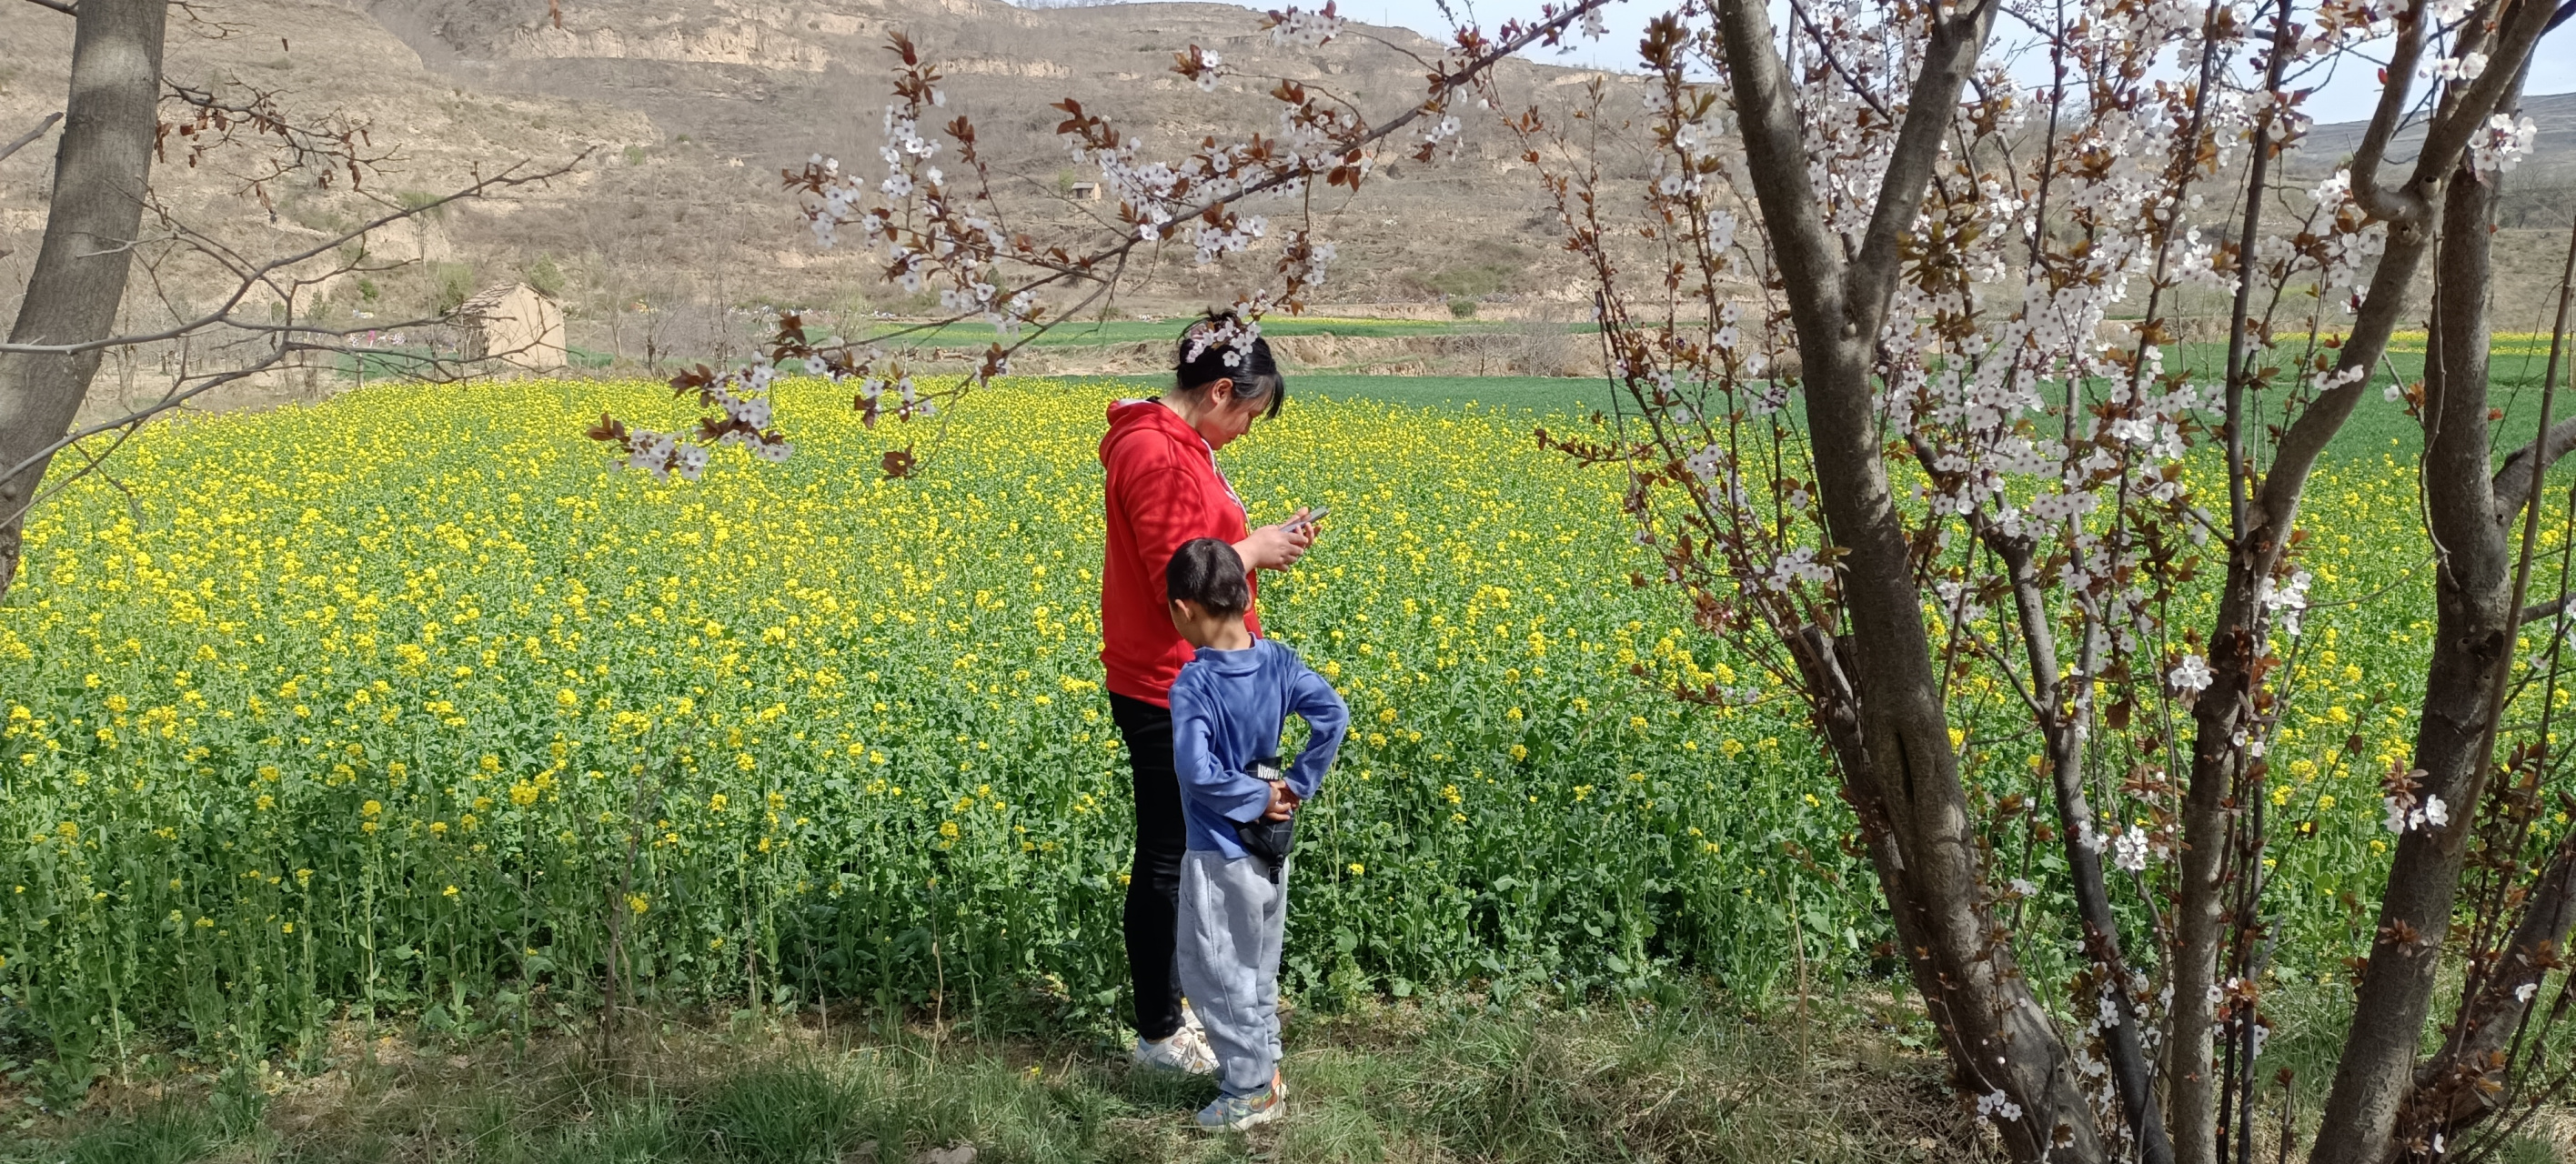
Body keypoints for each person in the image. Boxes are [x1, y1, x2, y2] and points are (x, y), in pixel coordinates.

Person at [1098, 312, 1318, 1074]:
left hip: (1200, 680)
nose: (1247, 431)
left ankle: (1191, 1002)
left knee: (1196, 852)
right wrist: (1252, 549)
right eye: (1249, 415)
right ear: (1221, 390)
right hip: (1168, 685)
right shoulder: (1156, 454)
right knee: (1169, 858)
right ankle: (1159, 1035)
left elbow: (1200, 548)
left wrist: (1260, 546)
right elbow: (1177, 581)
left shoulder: (1180, 445)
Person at [1162, 537, 1348, 1130]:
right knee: (1258, 964)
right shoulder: (1279, 661)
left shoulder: (1194, 684)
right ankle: (1266, 1066)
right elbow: (1334, 716)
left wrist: (1256, 796)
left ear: (1185, 609)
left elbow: (1195, 771)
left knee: (1215, 969)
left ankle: (1248, 1089)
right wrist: (1296, 784)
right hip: (1271, 851)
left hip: (1220, 855)